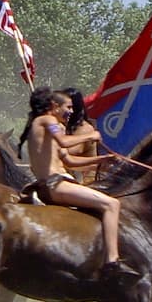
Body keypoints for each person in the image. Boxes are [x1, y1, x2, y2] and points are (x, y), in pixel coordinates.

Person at [18, 87, 137, 285]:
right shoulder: (47, 120)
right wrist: (90, 136)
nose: (72, 111)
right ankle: (112, 263)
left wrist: (102, 160)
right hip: (55, 184)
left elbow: (69, 161)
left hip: (55, 183)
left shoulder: (46, 126)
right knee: (112, 205)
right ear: (54, 107)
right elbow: (65, 142)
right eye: (68, 107)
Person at [62, 87, 114, 183]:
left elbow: (69, 152)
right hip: (66, 178)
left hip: (86, 182)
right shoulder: (62, 127)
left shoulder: (85, 129)